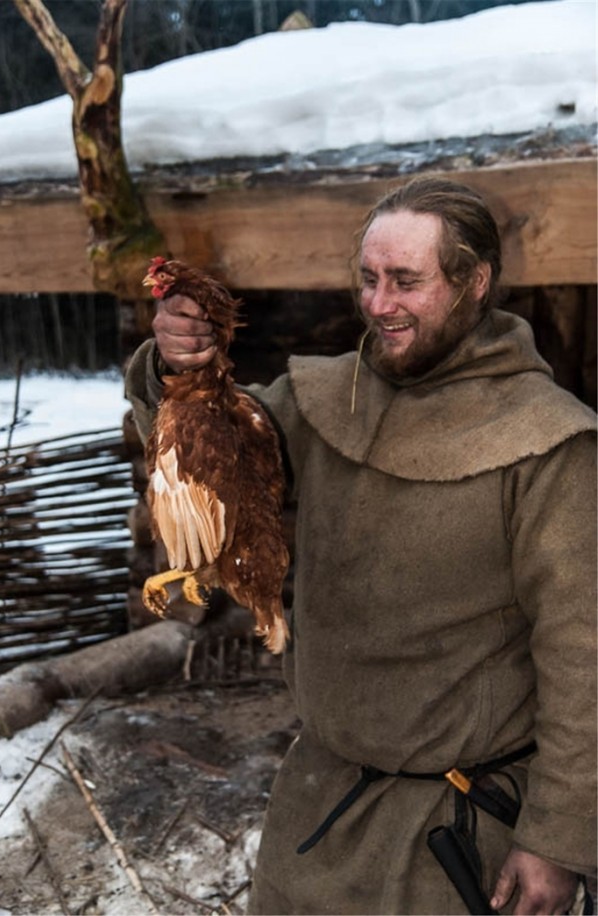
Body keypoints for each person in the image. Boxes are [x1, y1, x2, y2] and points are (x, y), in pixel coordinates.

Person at [125, 176, 597, 916]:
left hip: (459, 836)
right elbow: (215, 467)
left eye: (406, 281)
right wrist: (180, 373)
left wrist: (558, 840)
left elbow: (584, 658)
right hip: (318, 808)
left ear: (474, 283)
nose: (378, 304)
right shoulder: (326, 398)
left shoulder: (550, 443)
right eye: (369, 278)